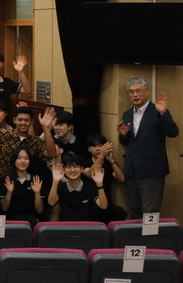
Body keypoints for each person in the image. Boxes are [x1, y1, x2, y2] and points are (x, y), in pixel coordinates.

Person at [118, 77, 178, 218]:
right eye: (131, 92)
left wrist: (163, 113)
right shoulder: (127, 114)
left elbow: (173, 132)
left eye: (138, 91)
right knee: (134, 209)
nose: (135, 95)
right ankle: (136, 234)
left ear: (146, 91)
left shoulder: (157, 110)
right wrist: (124, 135)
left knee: (150, 212)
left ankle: (149, 234)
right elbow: (128, 142)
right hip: (132, 170)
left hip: (152, 171)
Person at [48, 152, 107, 221]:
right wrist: (55, 181)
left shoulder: (90, 187)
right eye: (68, 167)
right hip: (66, 226)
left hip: (87, 226)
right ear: (63, 170)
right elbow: (51, 202)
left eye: (76, 166)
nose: (72, 170)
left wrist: (100, 184)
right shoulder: (61, 187)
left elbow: (103, 206)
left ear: (82, 169)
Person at [83, 134, 127, 222]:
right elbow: (91, 174)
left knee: (120, 213)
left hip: (107, 204)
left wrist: (111, 161)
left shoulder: (108, 163)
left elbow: (121, 179)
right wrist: (101, 156)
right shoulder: (85, 162)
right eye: (94, 146)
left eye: (100, 145)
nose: (97, 149)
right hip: (90, 205)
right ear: (89, 149)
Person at [0, 145, 45, 224]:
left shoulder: (35, 179)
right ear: (14, 160)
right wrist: (9, 192)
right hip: (11, 220)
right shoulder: (6, 179)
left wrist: (37, 193)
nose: (23, 161)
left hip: (31, 219)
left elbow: (40, 210)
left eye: (26, 158)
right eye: (19, 158)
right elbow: (4, 209)